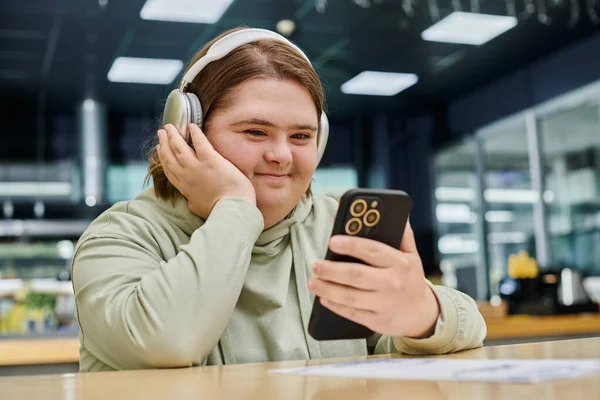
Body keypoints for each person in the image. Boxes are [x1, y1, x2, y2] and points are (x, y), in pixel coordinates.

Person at [71, 27, 486, 372]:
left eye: (301, 136)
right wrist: (234, 206)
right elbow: (168, 341)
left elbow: (468, 328)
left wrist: (425, 315)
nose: (282, 155)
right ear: (186, 131)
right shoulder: (120, 236)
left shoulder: (337, 224)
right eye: (255, 131)